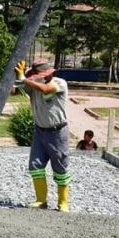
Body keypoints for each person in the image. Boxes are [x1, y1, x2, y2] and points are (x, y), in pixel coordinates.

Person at [15, 58, 71, 212]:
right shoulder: (33, 86)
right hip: (40, 131)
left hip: (58, 131)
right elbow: (14, 91)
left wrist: (24, 79)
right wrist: (15, 76)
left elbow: (46, 89)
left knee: (60, 166)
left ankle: (63, 202)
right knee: (36, 165)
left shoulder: (59, 83)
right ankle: (41, 200)